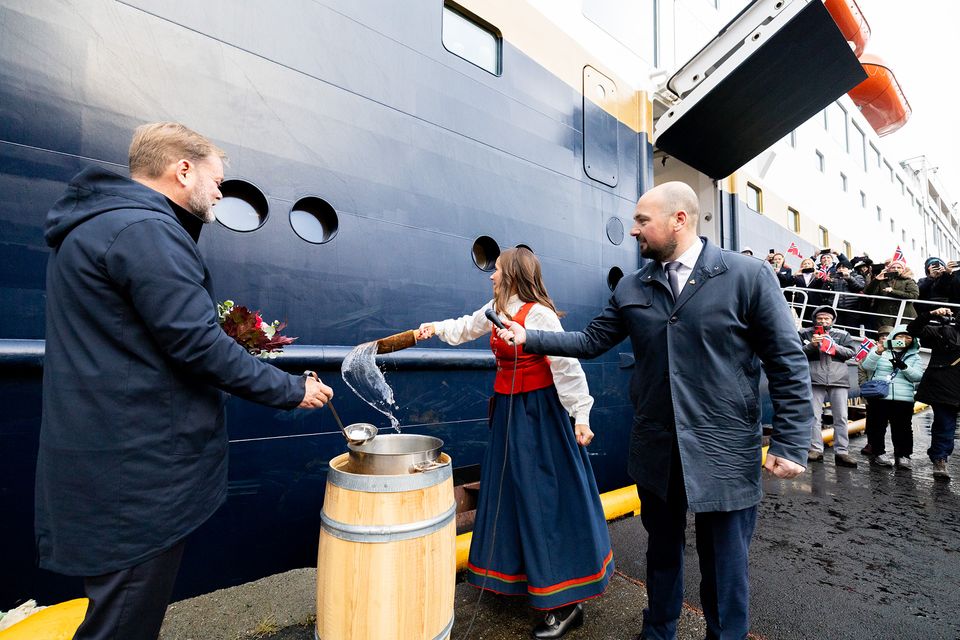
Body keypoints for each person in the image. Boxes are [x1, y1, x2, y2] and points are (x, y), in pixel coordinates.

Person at [36, 122, 334, 640]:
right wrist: (292, 389)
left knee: (120, 611)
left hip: (109, 459)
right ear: (183, 170)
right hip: (136, 473)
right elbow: (196, 343)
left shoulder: (100, 226)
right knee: (125, 619)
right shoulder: (145, 231)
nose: (220, 193)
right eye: (217, 181)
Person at [495, 182, 812, 640]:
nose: (634, 231)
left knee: (725, 566)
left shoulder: (747, 275)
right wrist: (531, 338)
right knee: (661, 554)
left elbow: (787, 360)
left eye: (643, 221)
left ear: (678, 220)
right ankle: (658, 632)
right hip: (657, 447)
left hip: (722, 448)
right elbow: (590, 341)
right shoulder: (632, 285)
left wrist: (790, 439)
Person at [416, 247, 612, 639]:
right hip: (509, 415)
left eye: (498, 270)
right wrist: (433, 327)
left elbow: (566, 365)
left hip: (539, 417)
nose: (491, 276)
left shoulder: (537, 314)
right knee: (513, 497)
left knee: (543, 500)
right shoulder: (496, 306)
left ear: (513, 274)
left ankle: (565, 605)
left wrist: (582, 414)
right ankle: (528, 580)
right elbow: (464, 327)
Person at [799, 306, 861, 467]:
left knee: (841, 417)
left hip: (838, 379)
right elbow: (796, 352)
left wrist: (833, 346)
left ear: (832, 320)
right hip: (813, 379)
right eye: (820, 318)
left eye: (827, 318)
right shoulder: (804, 333)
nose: (823, 321)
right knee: (814, 416)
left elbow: (851, 353)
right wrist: (811, 345)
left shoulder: (842, 334)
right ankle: (815, 450)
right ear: (814, 319)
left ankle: (842, 452)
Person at [907, 307, 960, 480]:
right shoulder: (944, 332)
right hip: (944, 388)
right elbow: (913, 329)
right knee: (945, 426)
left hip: (947, 388)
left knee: (945, 426)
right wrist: (930, 314)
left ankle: (940, 458)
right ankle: (940, 460)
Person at [860, 326, 924, 468]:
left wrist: (904, 367)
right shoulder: (880, 350)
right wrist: (877, 352)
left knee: (903, 428)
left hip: (904, 398)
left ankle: (903, 455)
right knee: (878, 426)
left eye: (908, 337)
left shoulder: (915, 356)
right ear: (893, 337)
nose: (904, 340)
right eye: (900, 336)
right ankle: (878, 453)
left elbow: (918, 377)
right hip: (880, 395)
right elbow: (867, 366)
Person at [858, 325, 893, 456]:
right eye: (882, 336)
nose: (884, 338)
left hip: (891, 391)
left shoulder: (898, 351)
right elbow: (861, 368)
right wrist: (864, 387)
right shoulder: (869, 351)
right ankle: (871, 443)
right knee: (872, 419)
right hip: (872, 391)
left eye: (887, 336)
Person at [863, 259, 919, 327]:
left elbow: (914, 295)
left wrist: (893, 291)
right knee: (886, 336)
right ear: (889, 269)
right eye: (893, 267)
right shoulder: (882, 280)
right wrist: (876, 280)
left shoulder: (909, 280)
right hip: (885, 315)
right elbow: (868, 293)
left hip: (904, 315)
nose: (896, 269)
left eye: (899, 267)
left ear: (903, 269)